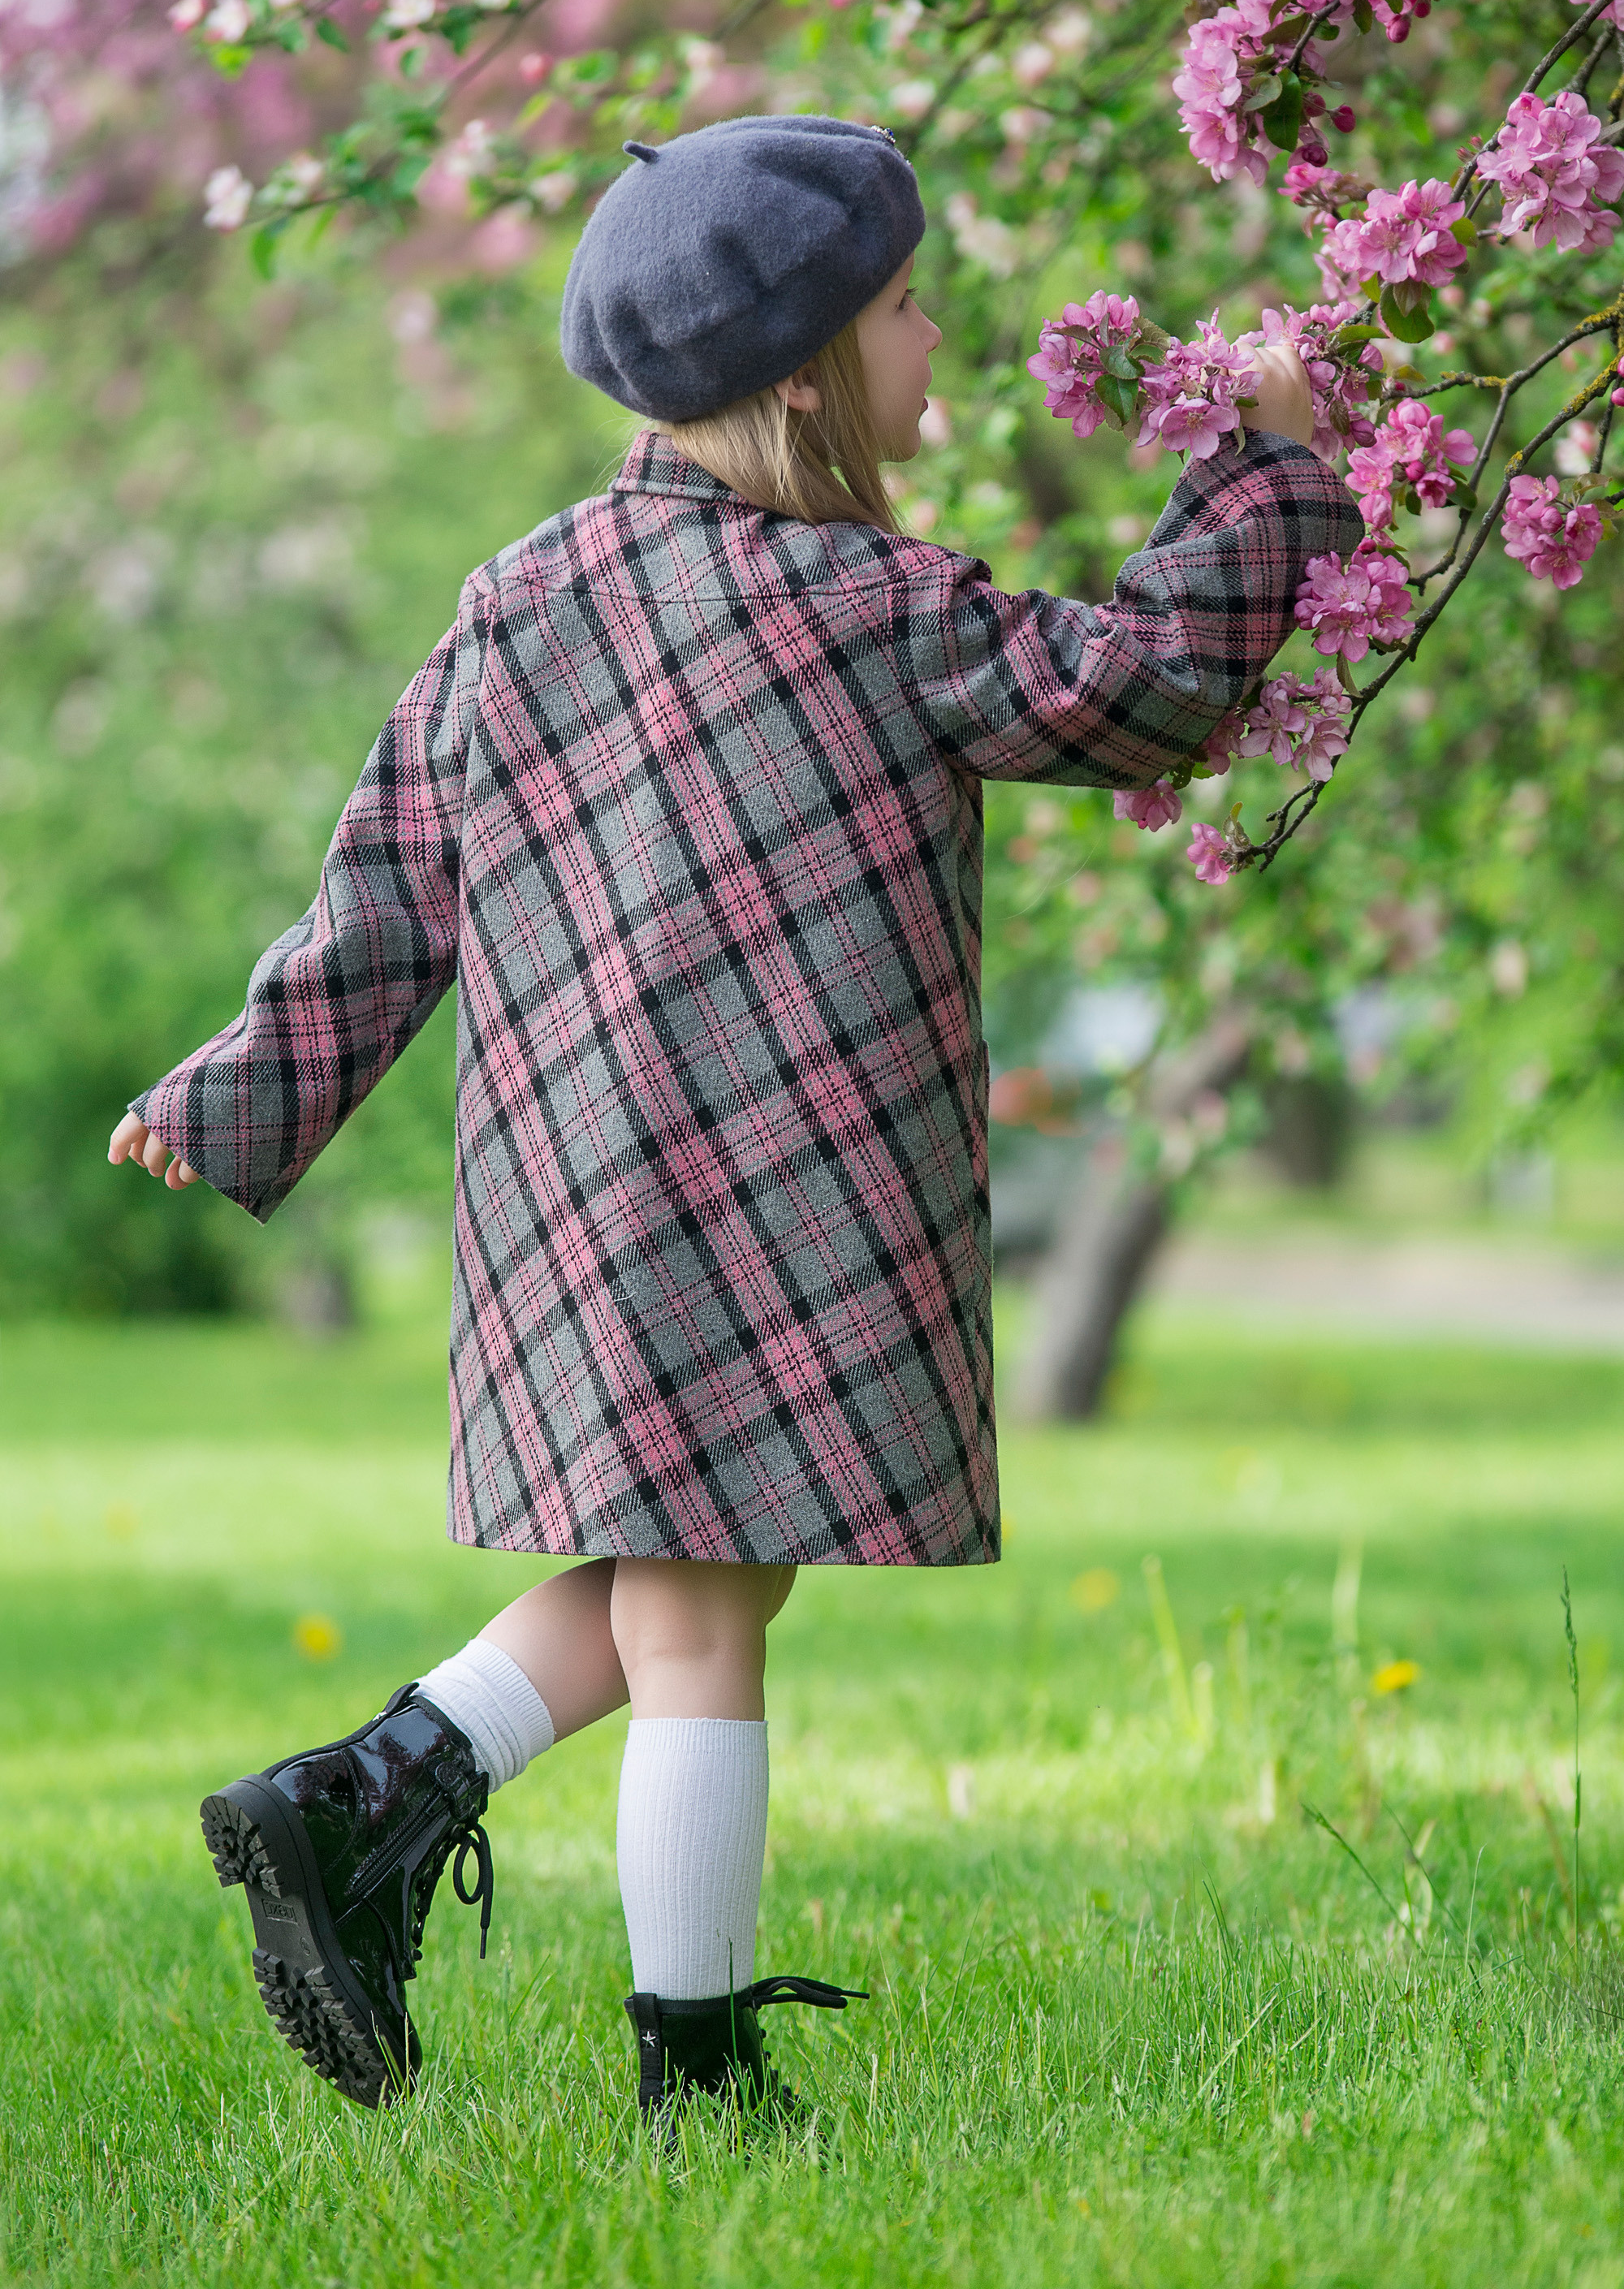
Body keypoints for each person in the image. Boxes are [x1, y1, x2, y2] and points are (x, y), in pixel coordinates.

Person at [108, 113, 1358, 2128]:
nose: (938, 334)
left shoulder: (519, 600)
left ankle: (368, 1799)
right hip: (785, 1188)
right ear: (803, 371)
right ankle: (691, 2066)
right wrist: (1266, 467)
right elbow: (1143, 687)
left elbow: (386, 887)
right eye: (904, 305)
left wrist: (241, 1089)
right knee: (703, 1608)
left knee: (713, 1579)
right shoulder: (888, 607)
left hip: (588, 1189)